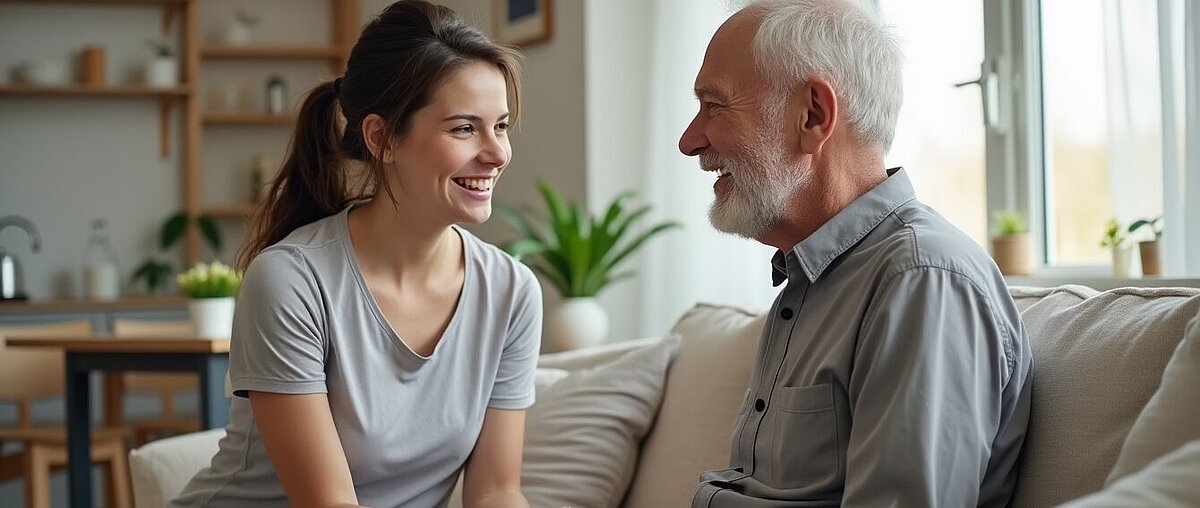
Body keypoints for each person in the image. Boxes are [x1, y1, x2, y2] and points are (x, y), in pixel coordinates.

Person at [170, 2, 539, 507]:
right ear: (381, 137)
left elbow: (496, 491)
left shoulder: (512, 292)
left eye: (500, 126)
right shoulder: (291, 281)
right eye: (463, 128)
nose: (497, 154)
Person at [678, 0, 1033, 506]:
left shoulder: (921, 281)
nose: (689, 141)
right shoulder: (814, 280)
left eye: (714, 105)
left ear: (813, 114)